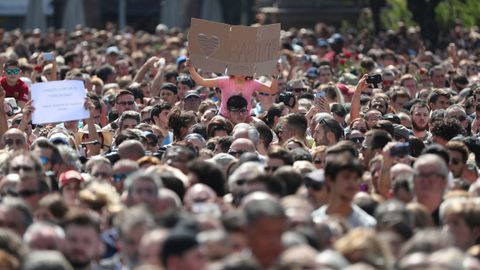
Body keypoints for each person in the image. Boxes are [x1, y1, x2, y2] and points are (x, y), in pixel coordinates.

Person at [187, 59, 278, 118]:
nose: (242, 72)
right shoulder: (225, 81)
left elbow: (272, 90)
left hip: (246, 118)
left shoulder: (252, 83)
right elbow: (202, 82)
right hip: (225, 117)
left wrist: (275, 76)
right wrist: (191, 69)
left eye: (245, 68)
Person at [312, 153, 376, 228]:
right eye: (346, 177)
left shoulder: (368, 225)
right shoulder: (313, 222)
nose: (353, 183)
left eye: (356, 178)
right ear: (329, 180)